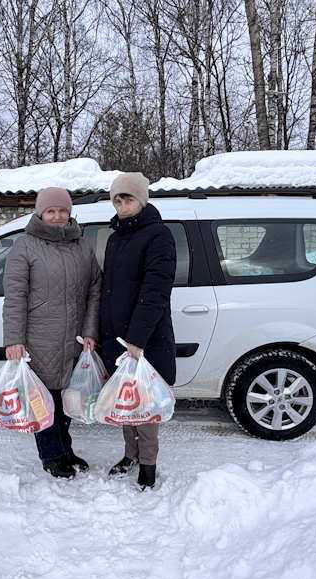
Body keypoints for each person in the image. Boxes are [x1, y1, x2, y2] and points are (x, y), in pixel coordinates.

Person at [2, 187, 101, 479]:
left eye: (63, 211)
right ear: (40, 213)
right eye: (51, 211)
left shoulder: (82, 245)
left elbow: (95, 289)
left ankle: (65, 449)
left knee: (66, 400)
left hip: (74, 341)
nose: (57, 216)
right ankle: (51, 456)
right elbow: (15, 297)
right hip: (39, 340)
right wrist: (14, 340)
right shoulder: (25, 246)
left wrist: (90, 330)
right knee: (43, 401)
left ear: (70, 213)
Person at [99, 173, 177, 490]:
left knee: (144, 406)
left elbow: (155, 291)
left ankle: (148, 465)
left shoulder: (158, 236)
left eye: (128, 198)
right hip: (117, 339)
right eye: (117, 199)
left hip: (143, 340)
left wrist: (137, 339)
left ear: (142, 200)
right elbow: (109, 289)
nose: (122, 204)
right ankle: (129, 455)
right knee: (125, 401)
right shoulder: (117, 236)